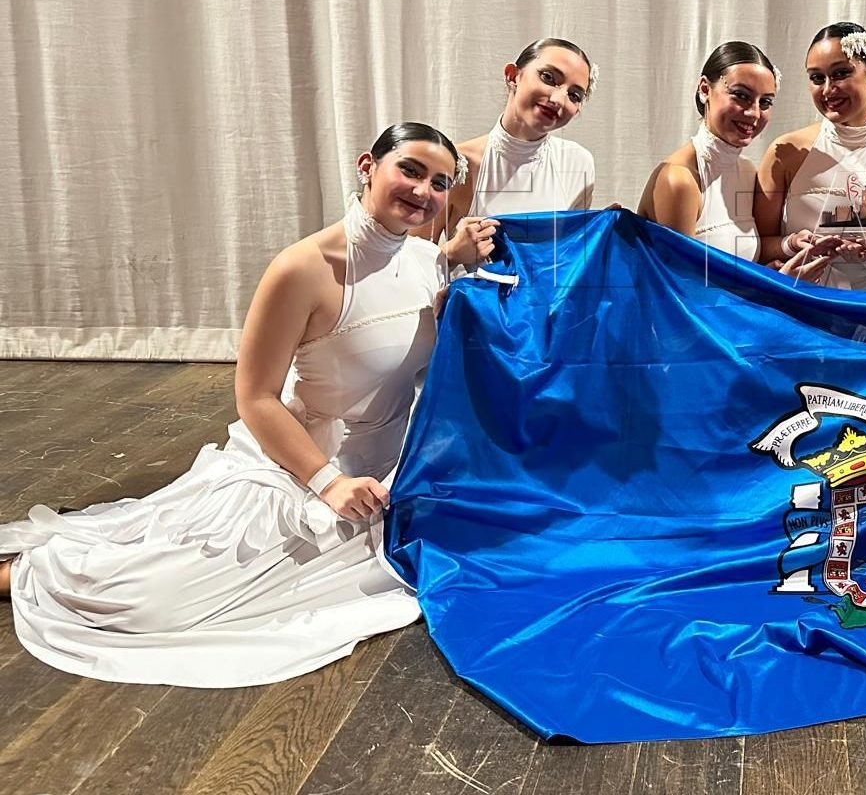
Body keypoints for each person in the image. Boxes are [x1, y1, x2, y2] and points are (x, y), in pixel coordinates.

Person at [0, 123, 458, 686]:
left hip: (386, 479)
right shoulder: (301, 268)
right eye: (410, 170)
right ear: (368, 166)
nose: (423, 190)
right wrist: (328, 483)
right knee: (151, 601)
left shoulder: (429, 261)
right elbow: (255, 397)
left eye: (440, 182)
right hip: (301, 468)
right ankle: (28, 572)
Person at [637, 40, 831, 281]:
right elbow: (681, 292)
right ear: (705, 89)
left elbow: (743, 258)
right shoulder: (679, 180)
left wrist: (791, 244)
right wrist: (778, 287)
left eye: (765, 102)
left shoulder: (746, 170)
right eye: (741, 96)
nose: (754, 113)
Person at [755, 22, 866, 291]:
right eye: (816, 78)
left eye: (841, 73)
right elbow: (754, 247)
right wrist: (792, 244)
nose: (827, 89)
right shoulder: (786, 153)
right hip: (800, 305)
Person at [426, 37, 598, 271]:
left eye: (574, 95)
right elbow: (408, 266)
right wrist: (452, 253)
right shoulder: (456, 164)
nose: (559, 99)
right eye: (548, 77)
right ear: (512, 75)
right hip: (478, 296)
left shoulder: (578, 163)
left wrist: (600, 234)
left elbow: (569, 262)